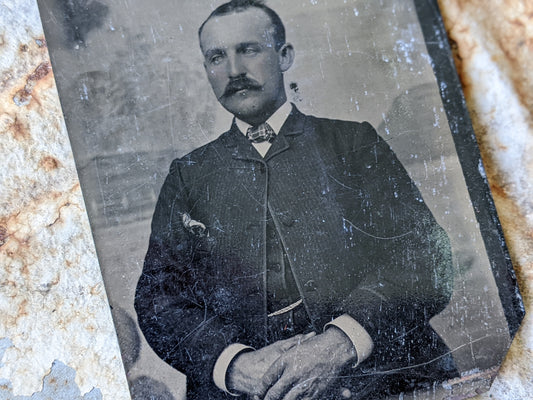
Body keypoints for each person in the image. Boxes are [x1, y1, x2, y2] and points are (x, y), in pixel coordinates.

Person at [135, 1, 458, 399]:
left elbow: (426, 257)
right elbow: (158, 301)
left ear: (284, 56)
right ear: (207, 70)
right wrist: (234, 365)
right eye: (217, 57)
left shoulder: (353, 143)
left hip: (383, 380)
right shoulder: (188, 176)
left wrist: (341, 342)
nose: (234, 70)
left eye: (249, 49)